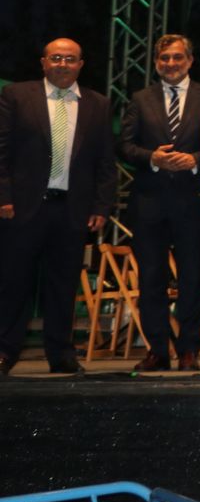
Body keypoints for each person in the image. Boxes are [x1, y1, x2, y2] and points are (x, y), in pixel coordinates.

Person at [0, 38, 115, 376]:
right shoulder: (17, 96)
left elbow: (106, 161)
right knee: (13, 282)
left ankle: (61, 354)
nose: (63, 64)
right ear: (43, 62)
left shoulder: (99, 104)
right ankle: (5, 352)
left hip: (72, 209)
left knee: (64, 286)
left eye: (70, 59)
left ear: (81, 64)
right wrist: (3, 196)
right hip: (21, 208)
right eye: (56, 58)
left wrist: (102, 206)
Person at [118, 34, 200, 372]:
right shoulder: (140, 98)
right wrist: (153, 158)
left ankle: (189, 349)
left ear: (190, 60)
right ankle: (157, 349)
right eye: (164, 59)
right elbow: (125, 146)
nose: (170, 64)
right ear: (157, 62)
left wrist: (196, 159)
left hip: (192, 202)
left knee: (192, 277)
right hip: (149, 203)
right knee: (151, 278)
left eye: (177, 58)